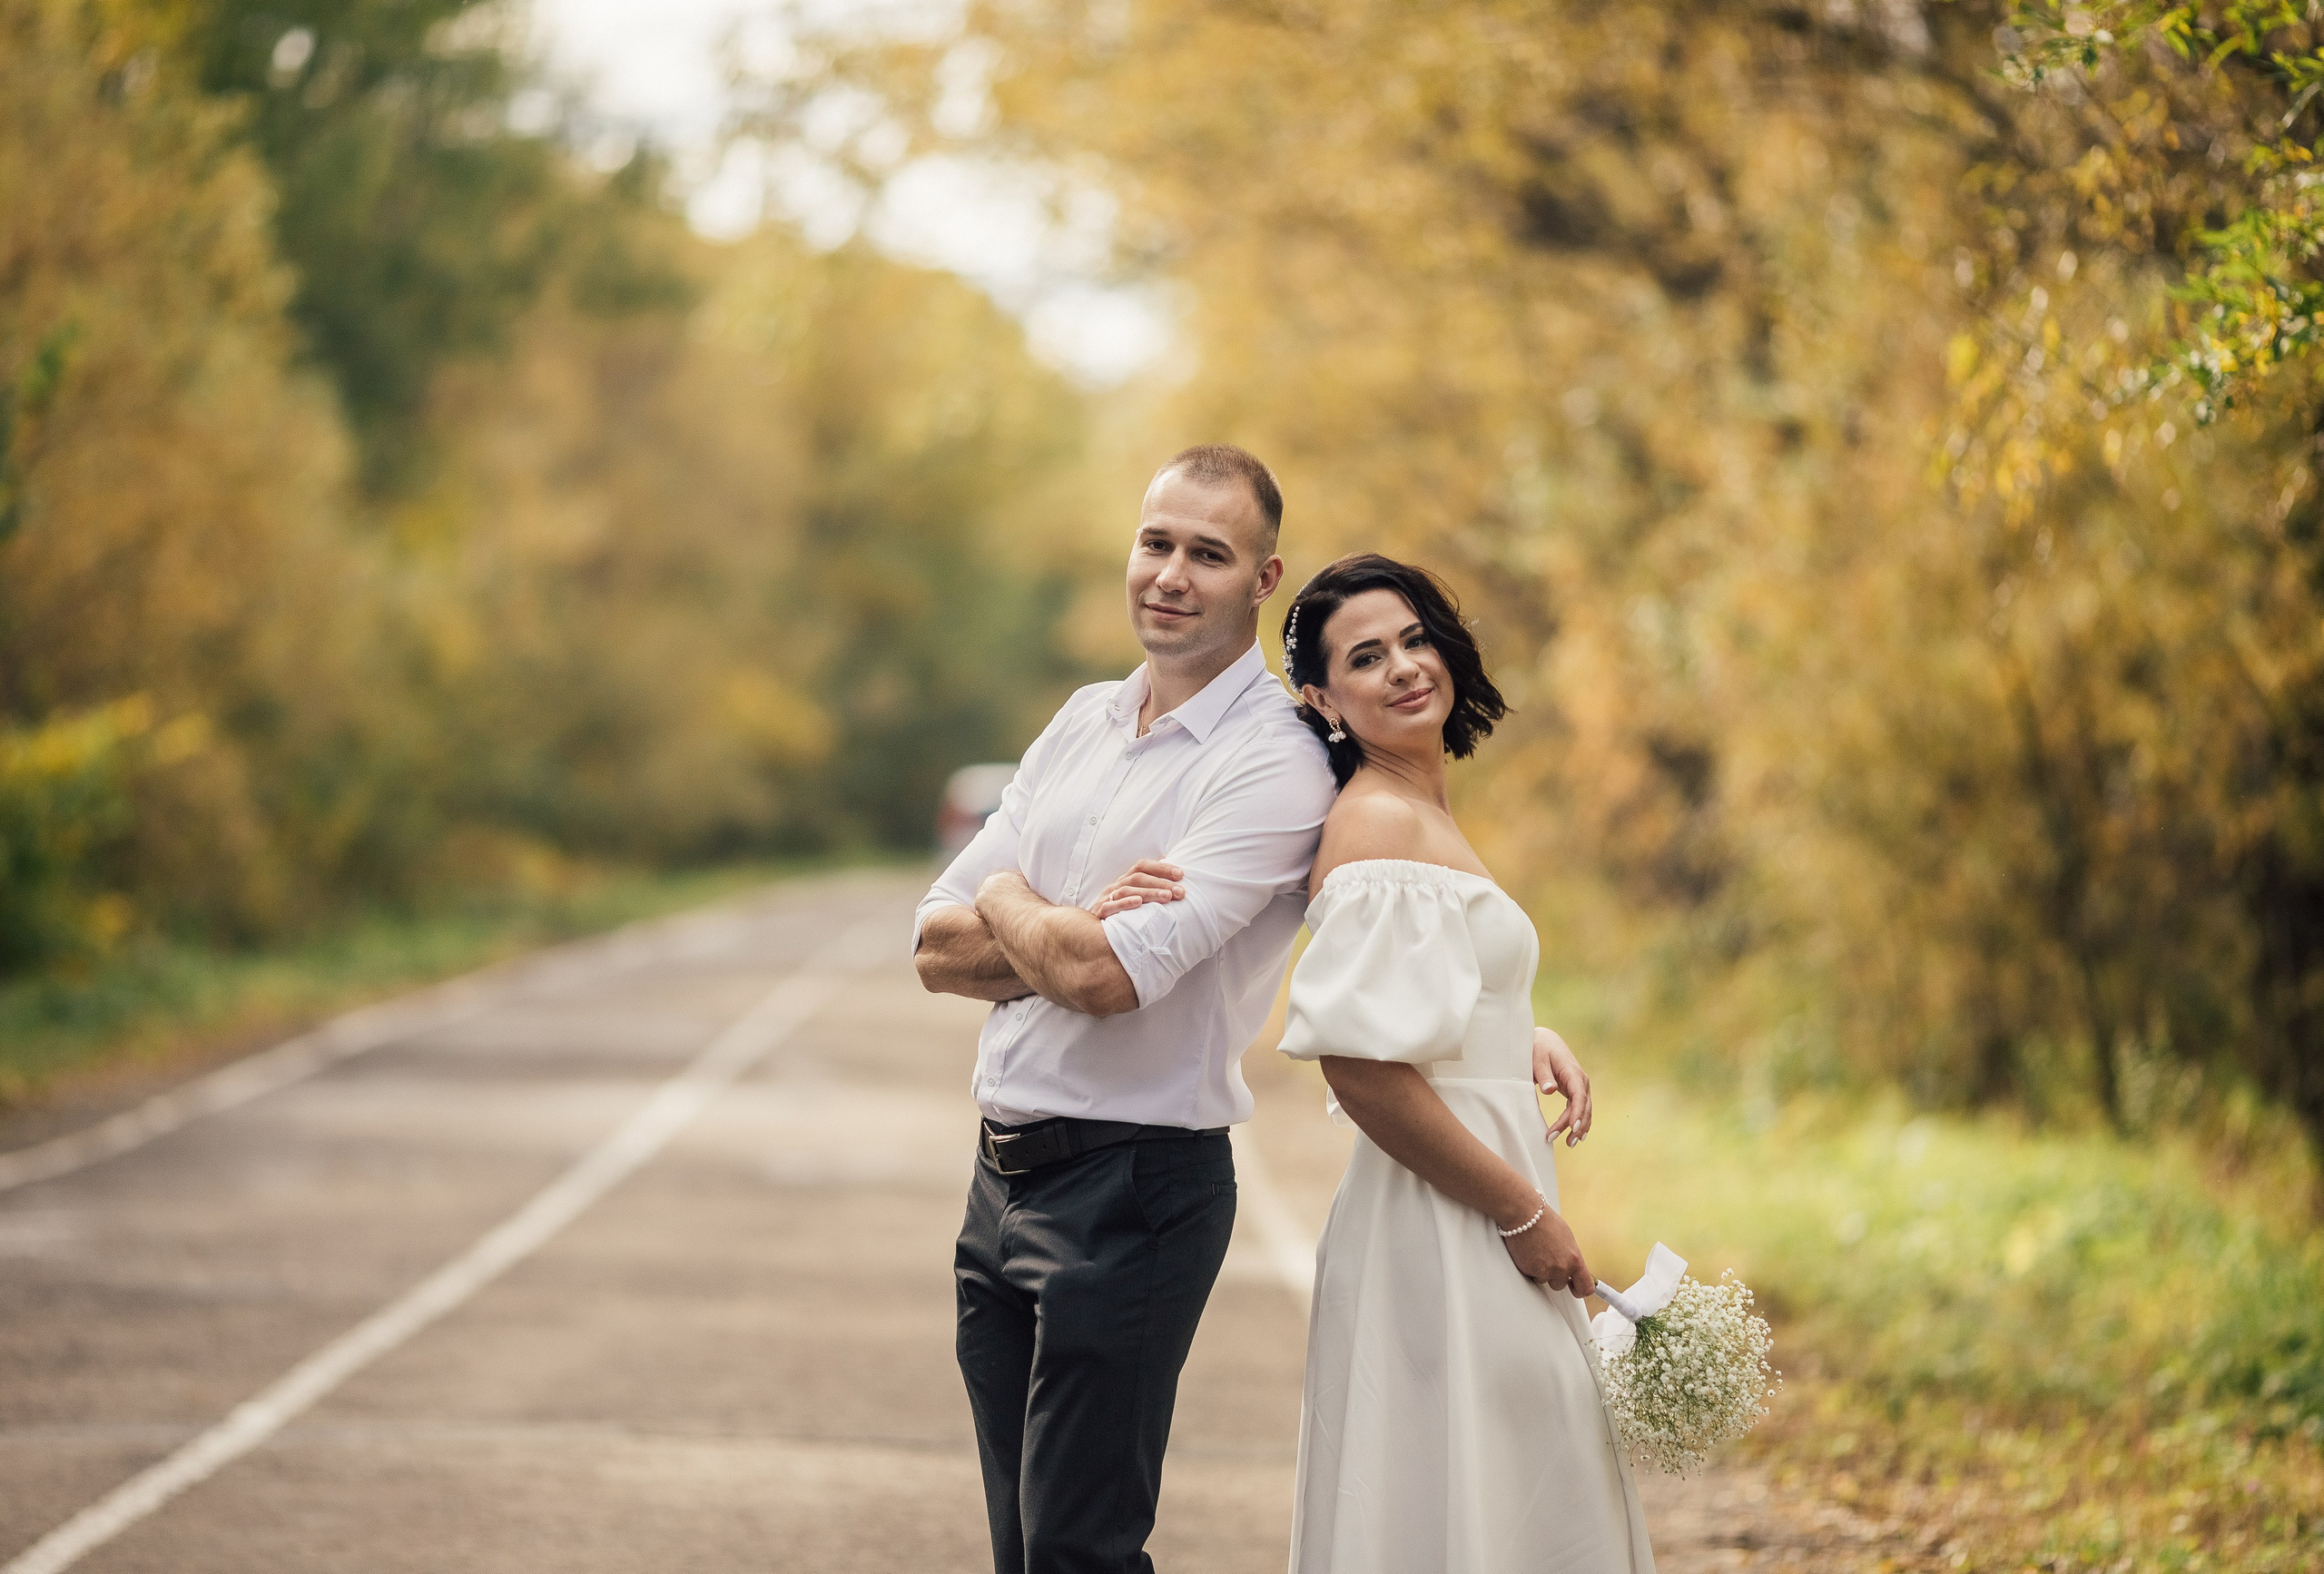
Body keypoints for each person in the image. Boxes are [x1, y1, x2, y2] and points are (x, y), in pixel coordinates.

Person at [912, 444, 1337, 1574]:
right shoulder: (1083, 720)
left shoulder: (1275, 764)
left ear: (1263, 578)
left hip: (1134, 1191)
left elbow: (1104, 981)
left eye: (1209, 553)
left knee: (1079, 1553)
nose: (1171, 574)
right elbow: (930, 951)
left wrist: (1006, 894)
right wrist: (1062, 921)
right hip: (998, 1183)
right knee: (1022, 1548)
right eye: (1157, 542)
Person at [1275, 553, 1657, 1573]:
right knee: (1485, 1491)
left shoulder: (1422, 814)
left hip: (1471, 1201)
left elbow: (1423, 1001)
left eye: (1414, 637)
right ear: (1323, 698)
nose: (1405, 667)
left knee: (1512, 1487)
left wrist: (1511, 1029)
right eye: (1366, 657)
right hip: (1445, 1226)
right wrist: (1522, 1213)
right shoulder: (1380, 823)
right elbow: (1359, 1071)